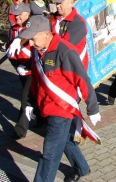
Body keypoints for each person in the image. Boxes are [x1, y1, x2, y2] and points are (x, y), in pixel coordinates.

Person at [18, 16, 101, 182]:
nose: (31, 44)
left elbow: (82, 79)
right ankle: (82, 168)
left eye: (33, 39)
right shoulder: (37, 50)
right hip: (45, 106)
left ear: (46, 34)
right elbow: (35, 78)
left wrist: (93, 107)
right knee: (63, 141)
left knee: (49, 153)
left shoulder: (65, 51)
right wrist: (29, 103)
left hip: (61, 109)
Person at [6, 3, 42, 139]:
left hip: (33, 70)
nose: (17, 17)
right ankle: (41, 119)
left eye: (20, 14)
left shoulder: (35, 28)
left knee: (25, 98)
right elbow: (9, 52)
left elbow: (39, 51)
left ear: (28, 14)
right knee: (34, 96)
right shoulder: (12, 30)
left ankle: (20, 130)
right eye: (15, 14)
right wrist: (17, 66)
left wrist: (30, 66)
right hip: (21, 70)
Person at [49, 0, 88, 69]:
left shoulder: (78, 22)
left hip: (73, 68)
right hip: (55, 64)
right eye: (57, 3)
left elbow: (64, 45)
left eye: (61, 3)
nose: (57, 6)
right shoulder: (52, 18)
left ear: (71, 3)